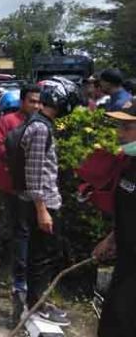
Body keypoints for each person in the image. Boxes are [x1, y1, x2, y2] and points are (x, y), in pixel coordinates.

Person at [16, 85, 70, 326]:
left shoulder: (41, 124)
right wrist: (42, 211)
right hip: (43, 204)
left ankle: (39, 300)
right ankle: (36, 304)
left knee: (46, 254)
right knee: (42, 256)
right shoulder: (39, 128)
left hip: (45, 202)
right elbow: (34, 173)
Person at [0, 85, 42, 323]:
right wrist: (18, 156)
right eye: (32, 101)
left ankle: (22, 276)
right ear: (22, 101)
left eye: (39, 102)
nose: (36, 106)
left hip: (34, 189)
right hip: (11, 187)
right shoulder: (8, 121)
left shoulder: (41, 124)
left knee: (29, 233)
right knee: (16, 230)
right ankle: (15, 278)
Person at [92, 105, 136, 337]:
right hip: (126, 262)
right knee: (111, 322)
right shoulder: (129, 163)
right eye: (120, 126)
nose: (120, 133)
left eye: (127, 127)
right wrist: (112, 239)